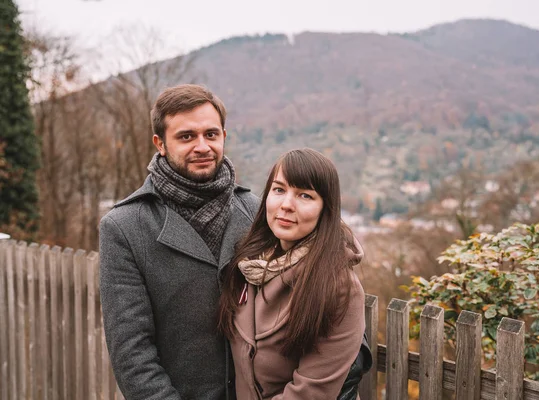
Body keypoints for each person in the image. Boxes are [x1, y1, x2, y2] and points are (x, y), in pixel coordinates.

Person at [99, 84, 260, 400]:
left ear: (224, 136)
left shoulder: (255, 211)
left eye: (211, 134)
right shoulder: (124, 227)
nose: (202, 146)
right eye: (187, 136)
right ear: (160, 143)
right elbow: (132, 353)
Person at [218, 148, 367, 400]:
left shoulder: (338, 287)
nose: (286, 205)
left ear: (325, 209)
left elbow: (311, 392)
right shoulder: (249, 264)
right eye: (279, 190)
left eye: (305, 195)